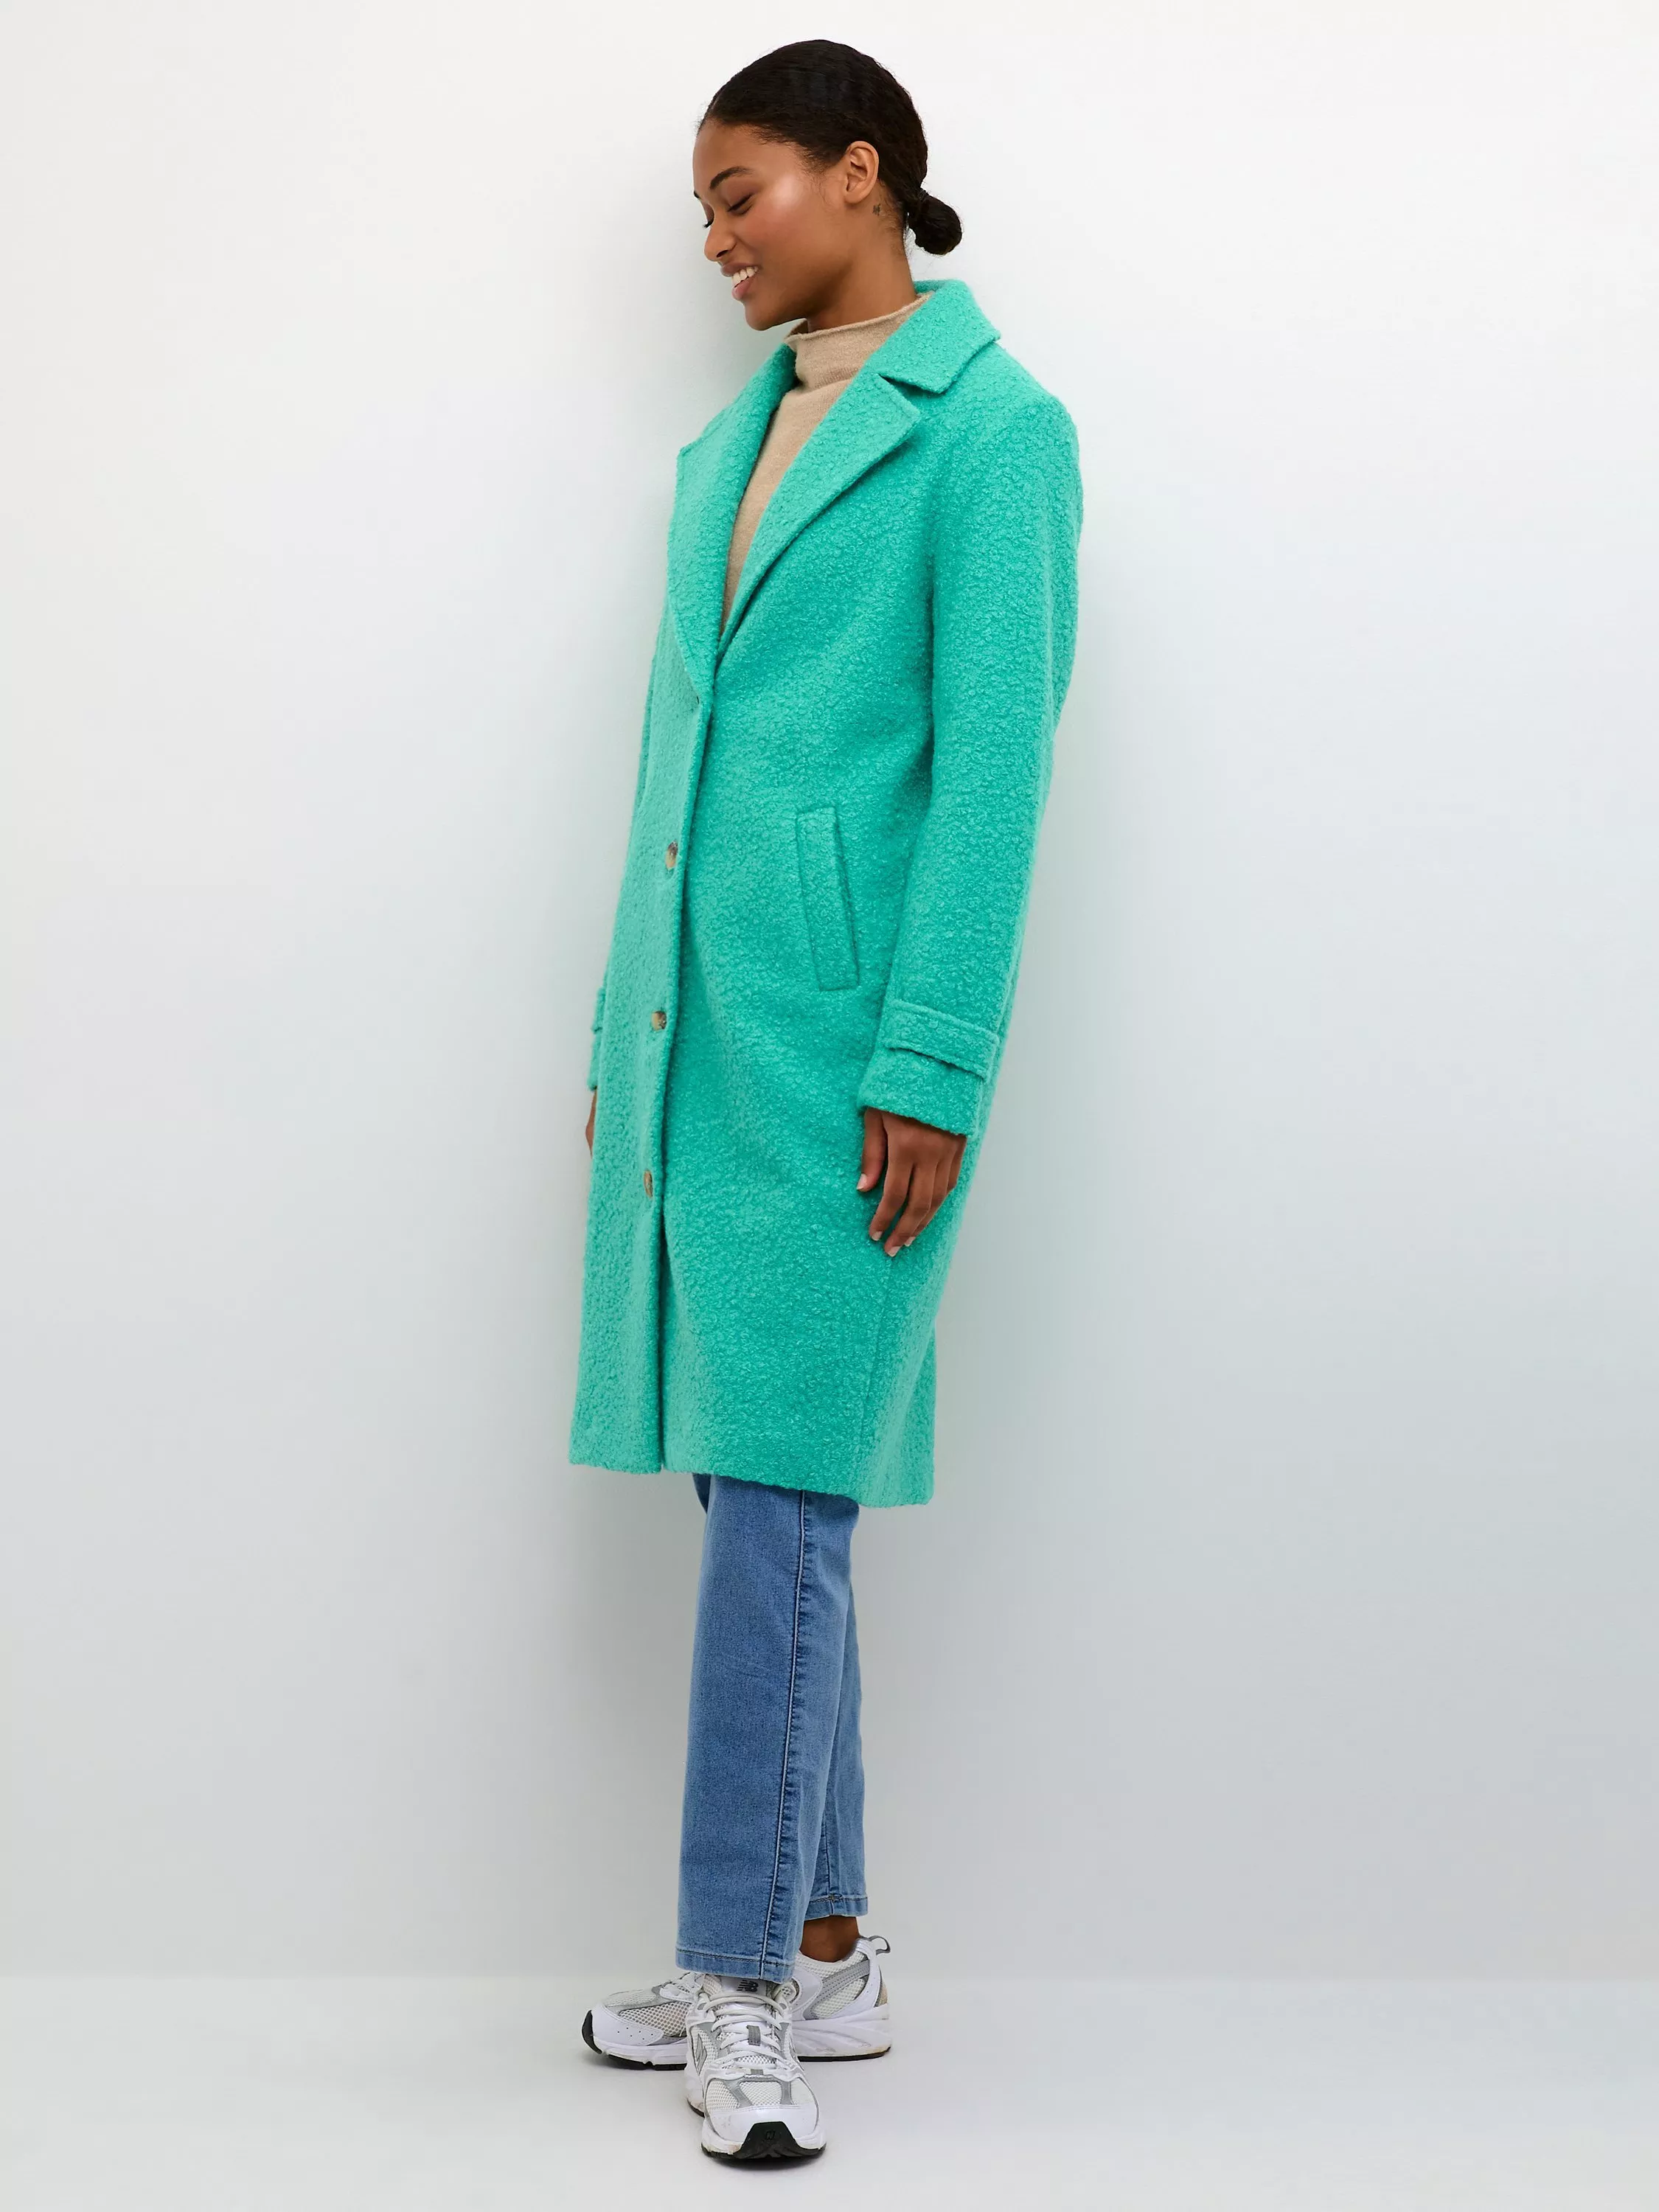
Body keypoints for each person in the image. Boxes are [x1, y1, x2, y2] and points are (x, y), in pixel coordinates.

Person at [568, 40, 1082, 2163]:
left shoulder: (999, 436)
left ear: (862, 174)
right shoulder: (731, 443)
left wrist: (933, 1060)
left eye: (741, 192)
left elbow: (997, 770)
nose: (715, 240)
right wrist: (628, 1038)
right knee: (759, 1494)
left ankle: (739, 1986)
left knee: (782, 1510)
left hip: (856, 1061)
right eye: (701, 209)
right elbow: (676, 770)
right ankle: (835, 1947)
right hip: (705, 1045)